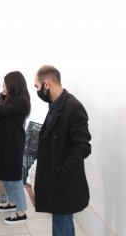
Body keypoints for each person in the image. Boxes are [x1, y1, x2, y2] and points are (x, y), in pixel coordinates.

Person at [33, 65, 91, 236]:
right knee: (62, 223)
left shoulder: (73, 106)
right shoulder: (55, 105)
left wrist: (61, 171)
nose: (37, 91)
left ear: (47, 84)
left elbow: (84, 146)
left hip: (64, 182)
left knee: (62, 225)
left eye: (37, 86)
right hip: (57, 180)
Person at [0, 71, 31, 225]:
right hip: (5, 143)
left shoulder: (20, 101)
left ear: (14, 85)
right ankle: (12, 204)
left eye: (6, 84)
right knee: (5, 176)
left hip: (12, 145)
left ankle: (21, 213)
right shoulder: (9, 99)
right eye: (2, 84)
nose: (3, 86)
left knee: (14, 178)